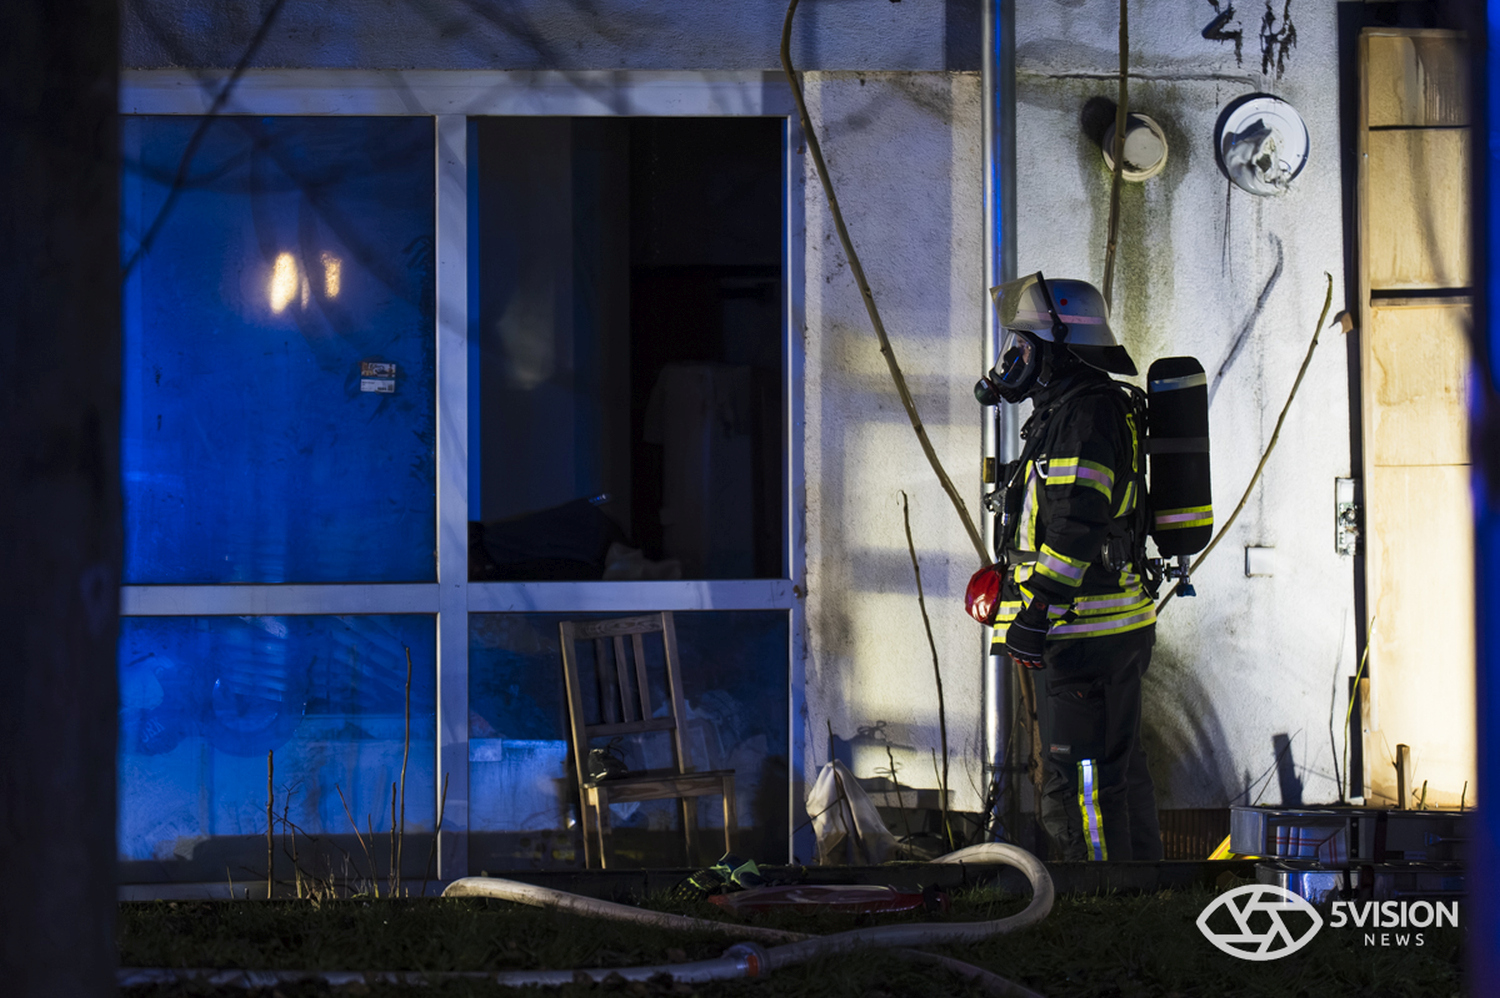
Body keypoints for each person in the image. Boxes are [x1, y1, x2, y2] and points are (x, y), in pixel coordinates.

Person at [966, 273, 1162, 862]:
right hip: (1094, 629)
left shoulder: (1086, 417)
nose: (1011, 360)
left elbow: (1077, 523)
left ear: (1057, 345)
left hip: (1083, 633)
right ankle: (1147, 900)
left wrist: (1038, 610)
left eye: (1022, 346)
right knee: (1114, 777)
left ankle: (1103, 909)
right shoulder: (1072, 411)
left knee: (1079, 792)